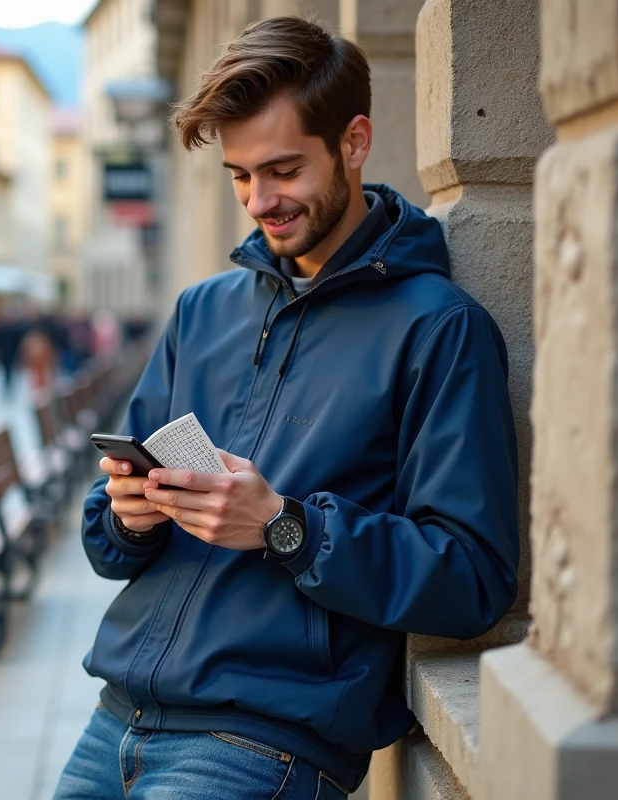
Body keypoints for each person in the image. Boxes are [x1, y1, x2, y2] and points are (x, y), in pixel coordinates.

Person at [55, 17, 519, 800]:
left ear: (355, 141)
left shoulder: (439, 328)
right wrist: (129, 514)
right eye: (240, 176)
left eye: (282, 170)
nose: (260, 202)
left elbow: (472, 578)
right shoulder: (202, 312)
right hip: (115, 722)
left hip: (259, 745)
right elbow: (107, 545)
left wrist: (285, 527)